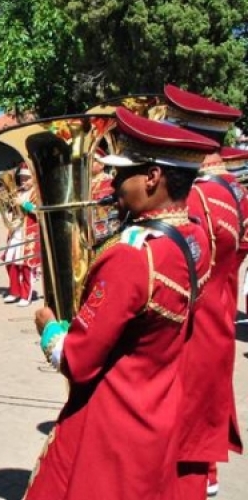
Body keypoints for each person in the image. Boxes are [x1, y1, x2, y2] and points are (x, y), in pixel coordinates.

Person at [26, 107, 216, 500]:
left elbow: (77, 360)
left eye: (123, 173)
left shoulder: (132, 257)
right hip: (156, 407)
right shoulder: (195, 237)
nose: (113, 182)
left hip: (111, 421)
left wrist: (50, 329)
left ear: (152, 177)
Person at [163, 84, 247, 500]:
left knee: (182, 439)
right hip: (218, 319)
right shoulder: (232, 193)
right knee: (201, 419)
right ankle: (206, 474)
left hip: (191, 330)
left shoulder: (194, 197)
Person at [2, 164, 41, 306]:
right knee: (10, 262)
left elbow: (40, 212)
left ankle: (26, 295)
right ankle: (14, 291)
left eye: (27, 178)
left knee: (26, 266)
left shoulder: (38, 192)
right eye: (22, 178)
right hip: (16, 232)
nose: (23, 181)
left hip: (29, 232)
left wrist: (24, 204)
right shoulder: (17, 192)